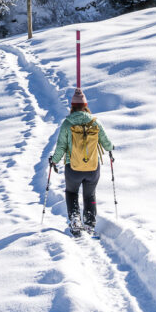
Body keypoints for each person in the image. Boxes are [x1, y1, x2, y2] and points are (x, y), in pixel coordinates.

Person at [49, 87, 113, 234]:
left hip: (73, 168)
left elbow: (61, 147)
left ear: (72, 106)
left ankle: (75, 220)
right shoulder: (95, 122)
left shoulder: (67, 123)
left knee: (71, 192)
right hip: (92, 168)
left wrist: (54, 160)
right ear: (86, 106)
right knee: (89, 194)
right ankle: (90, 223)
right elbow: (107, 143)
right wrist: (111, 148)